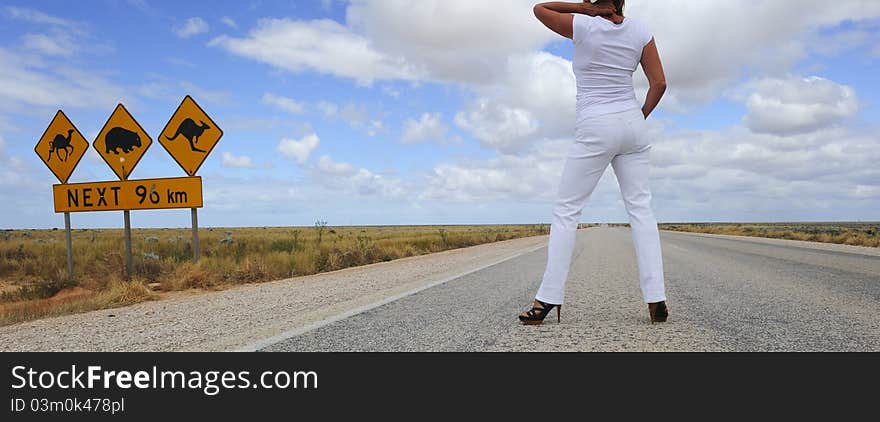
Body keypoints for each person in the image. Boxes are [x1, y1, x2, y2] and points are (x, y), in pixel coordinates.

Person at [519, 0, 669, 325]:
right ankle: (656, 298)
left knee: (567, 210)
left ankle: (547, 298)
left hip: (596, 125)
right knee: (641, 209)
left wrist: (583, 10)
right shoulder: (640, 31)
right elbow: (659, 83)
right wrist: (637, 118)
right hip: (632, 124)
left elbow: (540, 9)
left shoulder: (583, 25)